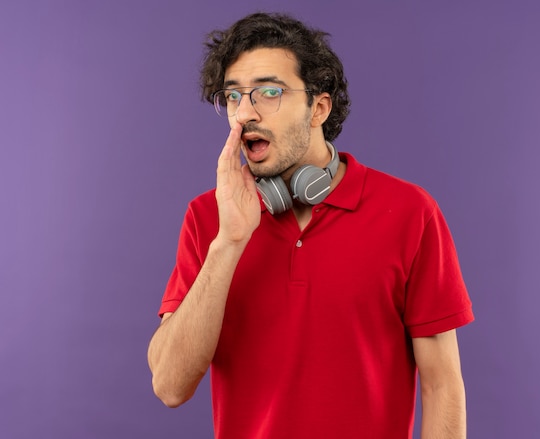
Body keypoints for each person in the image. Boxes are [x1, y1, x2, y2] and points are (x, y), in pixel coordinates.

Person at [147, 12, 474, 439]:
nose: (244, 113)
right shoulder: (208, 219)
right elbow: (170, 387)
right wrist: (229, 241)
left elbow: (441, 383)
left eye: (268, 91)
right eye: (232, 96)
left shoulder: (411, 213)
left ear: (319, 107)